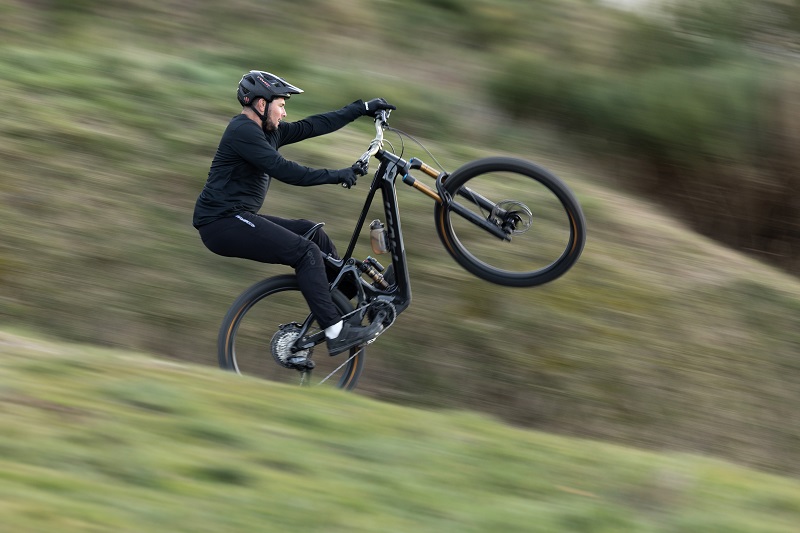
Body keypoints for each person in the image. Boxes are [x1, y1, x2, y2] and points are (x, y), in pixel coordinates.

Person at [193, 70, 396, 356]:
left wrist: (361, 108)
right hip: (221, 223)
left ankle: (345, 300)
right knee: (305, 252)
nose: (284, 112)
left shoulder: (268, 132)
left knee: (314, 235)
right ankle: (335, 330)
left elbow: (313, 125)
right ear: (261, 104)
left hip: (238, 217)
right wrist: (337, 175)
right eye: (281, 105)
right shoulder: (243, 131)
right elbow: (284, 170)